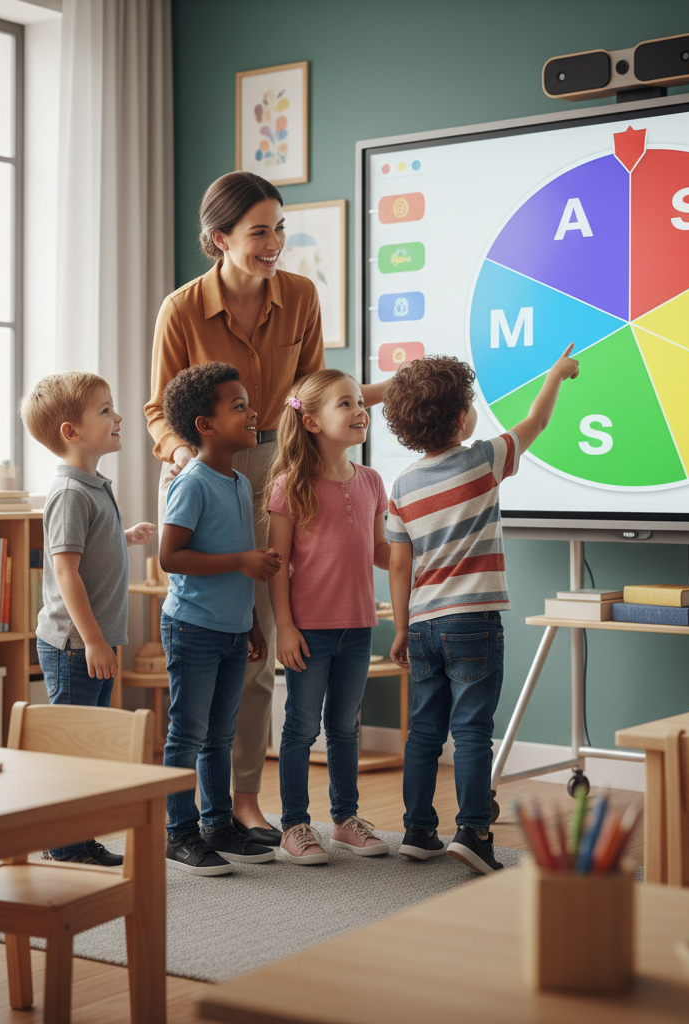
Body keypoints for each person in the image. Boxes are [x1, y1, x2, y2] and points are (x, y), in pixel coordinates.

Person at [146, 171, 389, 843]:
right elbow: (156, 410)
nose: (275, 243)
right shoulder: (183, 310)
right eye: (259, 232)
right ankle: (208, 808)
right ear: (218, 239)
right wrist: (178, 455)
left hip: (279, 468)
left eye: (280, 228)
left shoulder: (301, 296)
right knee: (226, 644)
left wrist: (370, 402)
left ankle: (244, 799)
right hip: (209, 472)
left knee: (265, 642)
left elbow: (310, 395)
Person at [384, 347, 580, 874]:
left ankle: (418, 830)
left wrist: (401, 627)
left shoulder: (401, 485)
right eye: (470, 403)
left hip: (422, 623)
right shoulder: (482, 459)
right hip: (473, 619)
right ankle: (473, 831)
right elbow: (535, 421)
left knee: (424, 731)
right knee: (471, 729)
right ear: (460, 416)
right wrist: (556, 373)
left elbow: (398, 565)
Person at [20, 371, 156, 865]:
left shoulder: (93, 487)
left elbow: (86, 550)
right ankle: (65, 845)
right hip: (75, 645)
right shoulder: (71, 493)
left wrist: (125, 538)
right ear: (70, 432)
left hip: (92, 642)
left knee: (88, 745)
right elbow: (66, 573)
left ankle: (75, 837)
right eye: (105, 411)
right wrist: (95, 642)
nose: (118, 417)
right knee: (73, 747)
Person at [158, 361, 283, 875]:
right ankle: (179, 833)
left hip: (232, 629)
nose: (252, 413)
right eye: (238, 407)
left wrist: (252, 624)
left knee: (220, 734)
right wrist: (240, 563)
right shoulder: (192, 483)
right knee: (187, 733)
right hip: (193, 628)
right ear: (204, 426)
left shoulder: (234, 480)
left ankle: (217, 824)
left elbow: (239, 557)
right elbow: (170, 557)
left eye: (249, 404)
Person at [266, 370, 391, 864]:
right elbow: (276, 568)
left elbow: (381, 550)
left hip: (359, 626)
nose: (361, 410)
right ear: (313, 421)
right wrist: (285, 627)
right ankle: (294, 825)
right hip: (309, 630)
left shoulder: (372, 482)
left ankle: (344, 820)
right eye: (347, 403)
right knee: (300, 728)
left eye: (361, 402)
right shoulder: (289, 485)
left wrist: (416, 552)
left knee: (344, 727)